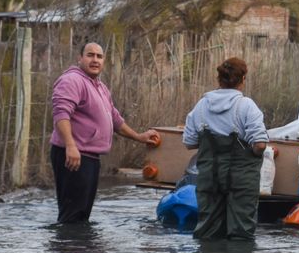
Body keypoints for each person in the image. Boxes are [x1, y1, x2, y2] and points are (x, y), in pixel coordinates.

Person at [50, 42, 158, 223]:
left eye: (99, 56)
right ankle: (67, 248)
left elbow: (114, 119)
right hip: (73, 155)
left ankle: (79, 250)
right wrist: (70, 145)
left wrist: (139, 136)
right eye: (90, 55)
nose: (95, 60)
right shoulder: (72, 81)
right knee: (73, 215)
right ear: (80, 58)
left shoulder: (100, 86)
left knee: (82, 214)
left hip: (90, 157)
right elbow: (61, 114)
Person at [183, 57, 268, 240]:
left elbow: (189, 142)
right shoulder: (246, 106)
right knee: (241, 234)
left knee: (208, 232)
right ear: (243, 79)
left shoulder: (202, 105)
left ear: (219, 79)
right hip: (241, 181)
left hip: (209, 178)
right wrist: (253, 153)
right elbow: (260, 144)